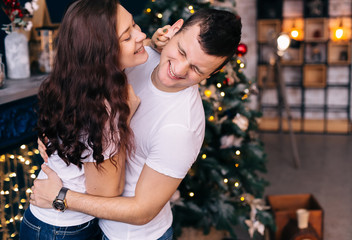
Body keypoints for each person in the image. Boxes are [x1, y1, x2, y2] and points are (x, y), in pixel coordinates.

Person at [31, 8, 242, 240]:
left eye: (197, 69)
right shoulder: (138, 56)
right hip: (89, 225)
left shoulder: (182, 128)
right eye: (181, 52)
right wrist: (54, 139)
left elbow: (143, 211)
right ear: (173, 31)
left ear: (211, 75)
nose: (179, 70)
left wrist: (61, 197)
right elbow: (81, 85)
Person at [20, 0, 148, 239]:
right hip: (63, 229)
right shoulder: (103, 111)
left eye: (135, 25)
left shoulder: (77, 81)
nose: (141, 35)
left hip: (45, 221)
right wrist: (124, 120)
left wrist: (159, 41)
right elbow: (107, 192)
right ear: (102, 53)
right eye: (127, 36)